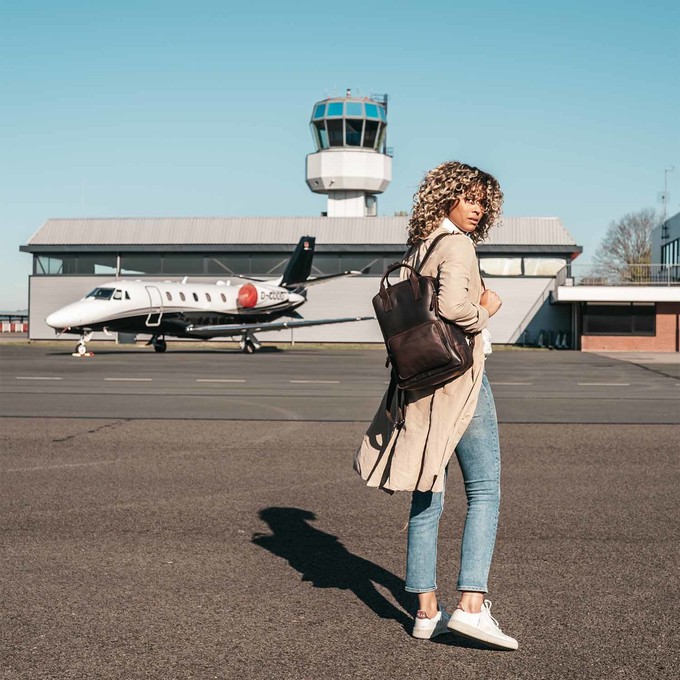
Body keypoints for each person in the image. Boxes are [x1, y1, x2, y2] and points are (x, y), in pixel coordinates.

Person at [354, 161, 518, 650]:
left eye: (483, 201)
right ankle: (471, 606)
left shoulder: (419, 246)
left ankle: (426, 612)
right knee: (485, 489)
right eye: (470, 197)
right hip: (459, 378)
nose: (478, 208)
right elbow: (453, 309)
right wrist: (487, 308)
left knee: (429, 489)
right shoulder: (458, 245)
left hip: (420, 382)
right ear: (447, 196)